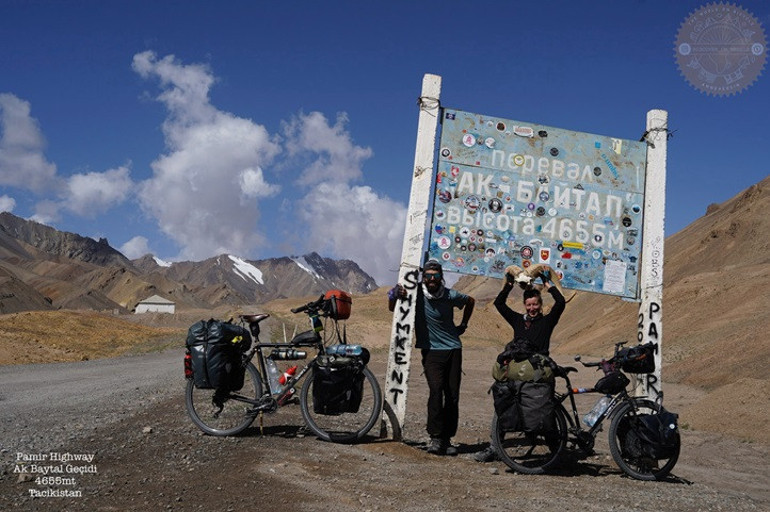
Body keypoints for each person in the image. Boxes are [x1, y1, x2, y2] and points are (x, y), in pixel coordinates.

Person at [474, 264, 566, 462]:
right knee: (507, 405)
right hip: (518, 372)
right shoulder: (517, 321)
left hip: (540, 373)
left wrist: (547, 283)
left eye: (535, 305)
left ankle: (556, 451)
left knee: (545, 409)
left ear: (541, 304)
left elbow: (560, 303)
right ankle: (495, 447)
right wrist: (508, 285)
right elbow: (499, 304)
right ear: (525, 305)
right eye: (529, 305)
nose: (532, 308)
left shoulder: (547, 322)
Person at [388, 260, 475, 456]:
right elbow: (392, 307)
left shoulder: (449, 294)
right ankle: (435, 437)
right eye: (428, 276)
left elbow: (470, 301)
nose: (432, 279)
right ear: (423, 277)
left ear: (441, 277)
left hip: (453, 349)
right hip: (430, 351)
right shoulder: (415, 292)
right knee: (436, 391)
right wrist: (394, 294)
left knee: (452, 395)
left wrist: (464, 325)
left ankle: (447, 439)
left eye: (436, 276)